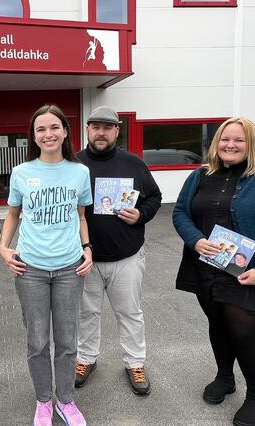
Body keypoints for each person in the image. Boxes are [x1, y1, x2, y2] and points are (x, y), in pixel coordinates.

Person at [172, 117, 255, 426]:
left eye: (239, 140)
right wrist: (196, 240)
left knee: (244, 334)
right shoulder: (201, 175)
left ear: (251, 144)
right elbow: (180, 212)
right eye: (225, 139)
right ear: (216, 143)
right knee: (218, 324)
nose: (230, 144)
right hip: (209, 268)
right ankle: (225, 378)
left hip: (251, 274)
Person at [0, 104, 93, 426]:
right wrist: (3, 247)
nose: (48, 134)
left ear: (65, 131)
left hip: (69, 269)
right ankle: (43, 400)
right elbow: (12, 214)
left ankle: (65, 400)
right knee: (37, 341)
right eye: (41, 129)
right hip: (31, 270)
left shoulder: (79, 172)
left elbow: (80, 216)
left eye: (54, 127)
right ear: (34, 136)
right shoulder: (22, 173)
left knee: (67, 341)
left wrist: (87, 248)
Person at [75, 106, 162, 396]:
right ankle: (86, 359)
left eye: (107, 127)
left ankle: (135, 363)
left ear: (116, 131)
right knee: (87, 313)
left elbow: (154, 196)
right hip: (85, 256)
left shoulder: (133, 163)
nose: (101, 132)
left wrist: (141, 214)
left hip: (127, 255)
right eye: (96, 126)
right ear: (87, 129)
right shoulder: (73, 164)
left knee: (130, 313)